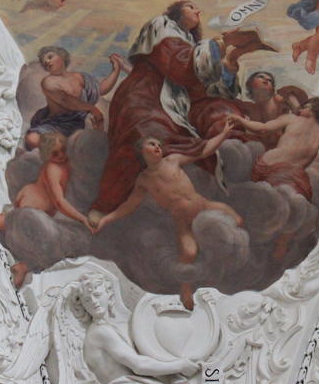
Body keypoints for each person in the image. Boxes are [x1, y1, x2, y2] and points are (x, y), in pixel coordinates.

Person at [90, 0, 258, 216]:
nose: (198, 10)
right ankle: (107, 205)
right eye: (191, 6)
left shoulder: (189, 41)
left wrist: (231, 62)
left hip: (176, 103)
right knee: (146, 135)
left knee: (224, 113)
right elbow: (179, 67)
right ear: (176, 11)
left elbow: (202, 84)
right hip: (143, 97)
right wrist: (222, 43)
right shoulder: (162, 25)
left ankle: (231, 188)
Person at [95, 125, 243, 309]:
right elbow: (129, 205)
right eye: (152, 144)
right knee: (189, 252)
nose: (157, 147)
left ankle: (229, 274)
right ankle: (186, 290)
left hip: (203, 206)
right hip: (181, 220)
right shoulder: (144, 180)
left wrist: (224, 133)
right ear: (142, 151)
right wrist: (106, 219)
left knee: (236, 221)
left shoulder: (173, 160)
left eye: (159, 144)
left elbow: (204, 150)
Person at [0, 132, 92, 287]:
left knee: (47, 242)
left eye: (63, 150)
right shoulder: (54, 168)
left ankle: (23, 267)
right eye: (55, 154)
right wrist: (81, 218)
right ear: (48, 155)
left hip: (37, 208)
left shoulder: (65, 166)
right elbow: (59, 201)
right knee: (22, 219)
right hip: (32, 202)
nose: (61, 155)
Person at [227, 96, 319, 201]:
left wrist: (240, 120)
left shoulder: (293, 119)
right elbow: (307, 160)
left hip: (269, 167)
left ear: (312, 109)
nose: (300, 110)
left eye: (304, 107)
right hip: (295, 177)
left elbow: (262, 129)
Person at [25, 46, 123, 149]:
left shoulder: (80, 77)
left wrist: (116, 69)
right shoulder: (49, 81)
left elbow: (101, 89)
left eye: (50, 57)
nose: (47, 62)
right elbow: (65, 99)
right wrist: (92, 108)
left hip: (76, 126)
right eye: (44, 62)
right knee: (32, 139)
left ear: (62, 56)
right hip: (55, 125)